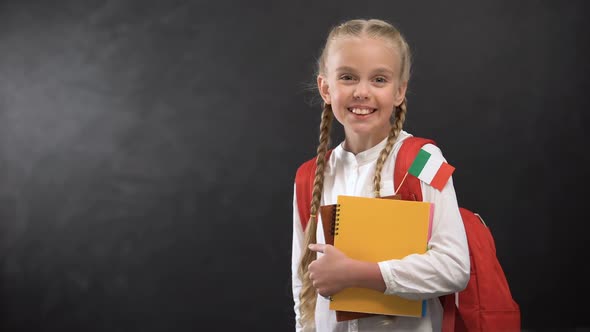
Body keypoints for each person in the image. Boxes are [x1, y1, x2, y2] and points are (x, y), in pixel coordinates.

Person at [291, 18, 470, 331]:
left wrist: (358, 274)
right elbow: (302, 284)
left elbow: (455, 267)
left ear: (399, 91)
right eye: (347, 77)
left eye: (379, 80)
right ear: (326, 88)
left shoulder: (425, 160)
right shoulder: (309, 176)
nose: (362, 92)